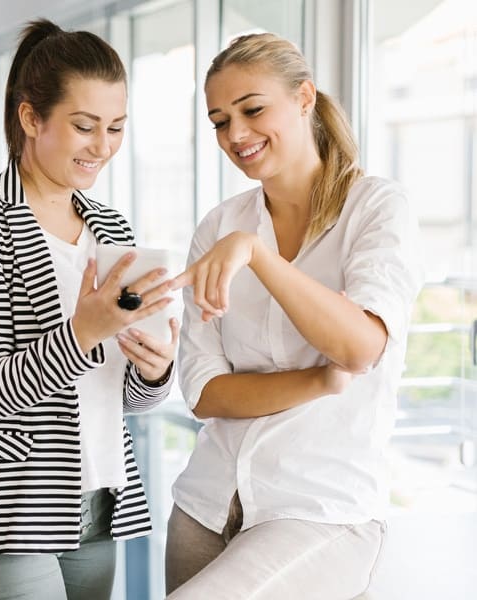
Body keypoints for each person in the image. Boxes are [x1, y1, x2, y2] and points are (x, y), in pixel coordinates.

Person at [0, 19, 179, 599]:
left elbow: (121, 394)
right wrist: (84, 331)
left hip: (96, 498)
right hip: (6, 509)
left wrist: (154, 369)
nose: (103, 146)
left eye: (115, 128)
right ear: (31, 118)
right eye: (84, 127)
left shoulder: (111, 228)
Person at [165, 33, 423, 598]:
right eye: (218, 120)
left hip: (319, 508)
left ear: (304, 97)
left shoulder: (376, 208)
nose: (235, 134)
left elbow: (360, 346)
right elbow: (204, 392)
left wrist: (256, 254)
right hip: (205, 505)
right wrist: (316, 380)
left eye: (253, 109)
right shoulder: (217, 225)